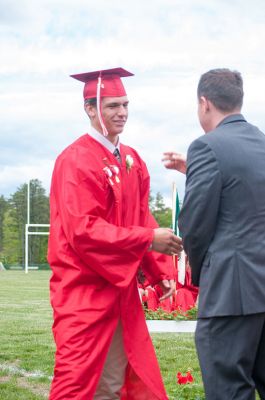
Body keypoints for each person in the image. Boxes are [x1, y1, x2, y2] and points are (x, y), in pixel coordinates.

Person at [48, 67, 183, 400]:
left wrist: (159, 269)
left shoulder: (132, 159)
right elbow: (83, 230)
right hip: (84, 290)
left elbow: (141, 216)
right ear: (90, 109)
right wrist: (148, 241)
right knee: (76, 379)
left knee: (114, 378)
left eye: (125, 105)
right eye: (112, 106)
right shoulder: (76, 160)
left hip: (120, 291)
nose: (121, 113)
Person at [163, 68, 265, 399]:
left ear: (204, 103)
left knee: (228, 389)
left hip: (231, 292)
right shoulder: (260, 143)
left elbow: (195, 221)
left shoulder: (207, 146)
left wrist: (196, 262)